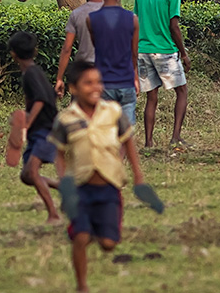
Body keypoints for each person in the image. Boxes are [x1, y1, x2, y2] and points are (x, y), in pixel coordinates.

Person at [51, 61, 149, 293]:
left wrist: (137, 174)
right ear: (74, 88)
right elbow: (59, 152)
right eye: (88, 83)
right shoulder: (66, 119)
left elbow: (128, 140)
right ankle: (81, 286)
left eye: (98, 82)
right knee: (81, 239)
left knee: (108, 244)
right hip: (80, 188)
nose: (95, 87)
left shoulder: (113, 112)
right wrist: (64, 180)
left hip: (109, 186)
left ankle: (94, 229)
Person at [134, 0, 192, 148]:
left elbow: (136, 22)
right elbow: (173, 26)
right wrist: (183, 53)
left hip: (143, 50)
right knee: (182, 92)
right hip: (165, 51)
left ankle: (149, 142)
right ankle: (175, 137)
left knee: (151, 97)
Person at [9, 30, 62, 225]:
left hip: (46, 130)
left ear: (13, 54)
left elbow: (40, 99)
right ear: (35, 50)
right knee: (26, 176)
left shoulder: (30, 73)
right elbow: (48, 95)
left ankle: (54, 215)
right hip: (40, 130)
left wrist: (28, 120)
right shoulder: (34, 71)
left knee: (31, 172)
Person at [86, 0, 140, 125]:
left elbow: (98, 46)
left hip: (103, 82)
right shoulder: (132, 19)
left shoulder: (92, 19)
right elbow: (134, 54)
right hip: (126, 80)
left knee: (104, 128)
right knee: (126, 132)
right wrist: (135, 77)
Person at [54, 0, 105, 97]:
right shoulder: (117, 14)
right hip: (109, 69)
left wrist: (59, 78)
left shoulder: (77, 14)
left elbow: (67, 48)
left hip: (83, 70)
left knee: (80, 112)